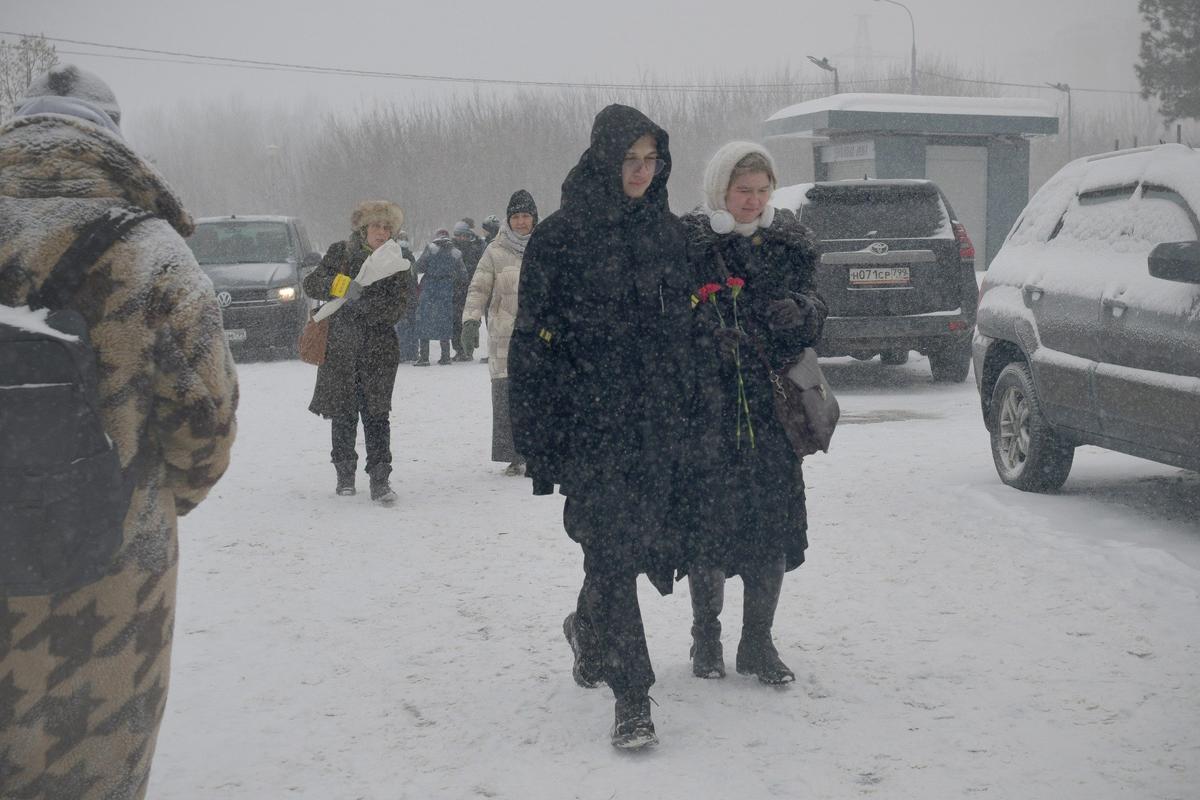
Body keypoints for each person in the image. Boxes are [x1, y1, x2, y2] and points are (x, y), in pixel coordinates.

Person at [0, 65, 238, 799]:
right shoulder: (151, 253)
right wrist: (149, 502)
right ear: (111, 141)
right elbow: (207, 425)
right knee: (92, 772)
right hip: (111, 586)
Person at [509, 104, 695, 750]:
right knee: (612, 551)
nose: (641, 171)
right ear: (602, 159)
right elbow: (530, 339)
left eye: (650, 160)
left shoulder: (669, 235)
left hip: (655, 426)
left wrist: (691, 406)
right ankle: (633, 696)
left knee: (630, 549)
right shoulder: (559, 238)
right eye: (629, 160)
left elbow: (686, 332)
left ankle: (587, 628)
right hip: (589, 425)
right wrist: (534, 432)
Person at [679, 141, 826, 685]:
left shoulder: (790, 243)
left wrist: (802, 311)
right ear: (720, 190)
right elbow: (666, 315)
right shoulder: (691, 244)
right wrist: (703, 336)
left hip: (772, 409)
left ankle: (758, 642)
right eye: (744, 190)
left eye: (763, 190)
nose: (754, 200)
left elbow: (820, 309)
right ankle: (706, 637)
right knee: (709, 527)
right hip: (709, 410)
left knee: (771, 525)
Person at [304, 201, 413, 504]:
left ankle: (380, 479)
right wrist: (341, 285)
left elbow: (398, 306)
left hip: (379, 351)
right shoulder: (340, 252)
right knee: (343, 414)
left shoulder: (397, 261)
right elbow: (312, 283)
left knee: (377, 416)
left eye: (387, 227)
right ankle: (344, 476)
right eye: (376, 226)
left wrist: (363, 308)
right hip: (340, 348)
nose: (382, 232)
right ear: (364, 229)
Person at [460, 189, 538, 476]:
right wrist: (470, 320)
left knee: (538, 394)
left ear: (534, 218)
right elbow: (478, 288)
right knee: (506, 395)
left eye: (525, 216)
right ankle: (515, 455)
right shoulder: (494, 250)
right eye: (515, 217)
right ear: (508, 220)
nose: (521, 222)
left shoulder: (546, 247)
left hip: (539, 337)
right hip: (504, 336)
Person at [414, 228, 467, 366]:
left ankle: (424, 357)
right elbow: (463, 275)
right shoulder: (455, 253)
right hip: (446, 290)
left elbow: (418, 267)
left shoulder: (430, 249)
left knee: (425, 321)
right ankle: (445, 356)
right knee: (445, 321)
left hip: (429, 289)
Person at [450, 219, 485, 361]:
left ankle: (468, 349)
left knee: (471, 321)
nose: (462, 238)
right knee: (456, 322)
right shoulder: (452, 249)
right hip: (455, 290)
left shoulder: (476, 247)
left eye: (464, 235)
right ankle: (459, 350)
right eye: (459, 235)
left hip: (471, 289)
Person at [393, 229, 420, 363]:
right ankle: (410, 352)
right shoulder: (408, 256)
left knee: (404, 325)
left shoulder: (398, 255)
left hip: (403, 295)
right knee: (409, 324)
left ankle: (405, 352)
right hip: (408, 294)